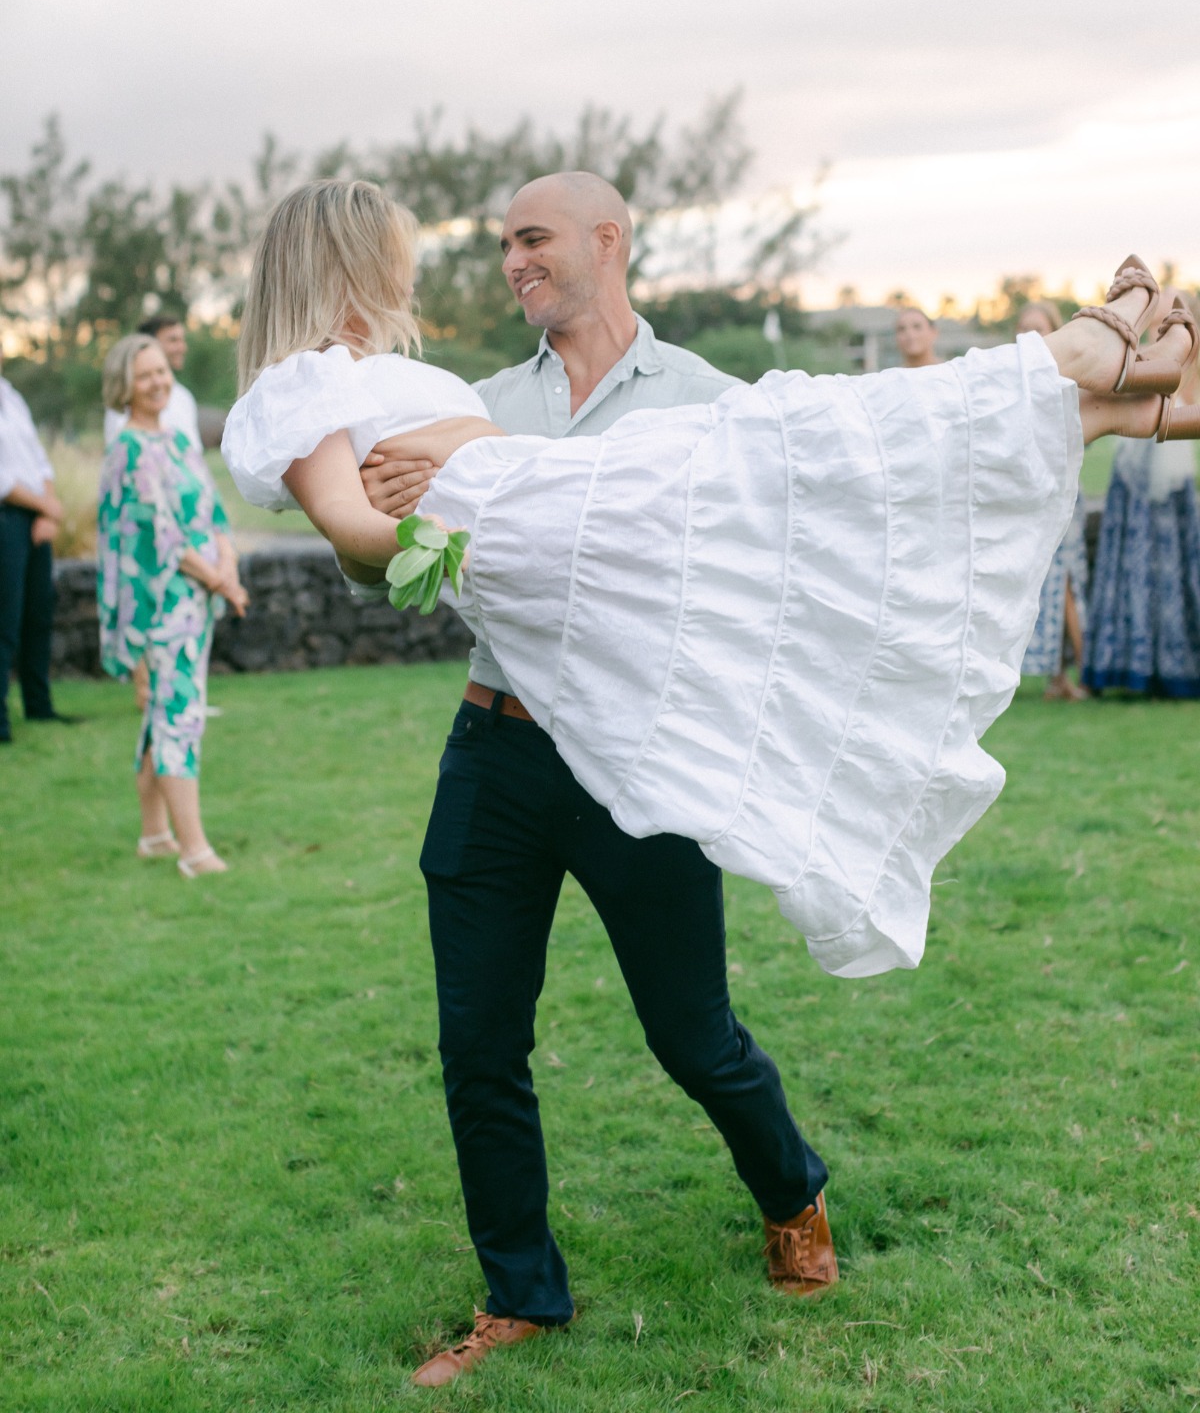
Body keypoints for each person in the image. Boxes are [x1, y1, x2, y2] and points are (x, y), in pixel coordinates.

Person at [222, 180, 1199, 1383]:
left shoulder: (710, 403)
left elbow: (818, 511)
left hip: (645, 752)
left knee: (692, 1034)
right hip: (502, 746)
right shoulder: (467, 399)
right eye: (507, 246)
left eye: (535, 240)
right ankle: (520, 1294)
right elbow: (383, 557)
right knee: (479, 1039)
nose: (515, 262)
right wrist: (429, 490)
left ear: (605, 244)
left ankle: (791, 1190)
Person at [98, 335, 248, 874]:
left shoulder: (180, 443)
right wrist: (222, 582)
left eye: (161, 371)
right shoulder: (129, 451)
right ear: (124, 387)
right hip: (163, 608)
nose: (158, 382)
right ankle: (194, 850)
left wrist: (226, 561)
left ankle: (155, 835)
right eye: (145, 376)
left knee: (163, 712)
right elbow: (162, 538)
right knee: (179, 716)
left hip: (198, 601)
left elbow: (212, 514)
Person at [1083, 291, 1200, 697]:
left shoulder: (1195, 368)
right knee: (1126, 570)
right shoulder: (1133, 356)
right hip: (1130, 485)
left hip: (1174, 491)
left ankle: (1175, 669)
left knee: (1173, 574)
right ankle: (1120, 666)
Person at [0, 357, 79, 742]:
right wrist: (44, 506)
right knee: (5, 621)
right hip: (6, 516)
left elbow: (37, 459)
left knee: (38, 613)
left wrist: (48, 511)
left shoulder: (10, 395)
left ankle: (39, 706)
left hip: (34, 517)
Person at [1015, 301, 1090, 700]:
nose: (1031, 337)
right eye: (1024, 329)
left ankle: (1084, 673)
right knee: (1048, 586)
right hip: (1032, 498)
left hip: (1064, 495)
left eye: (1039, 328)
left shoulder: (1069, 379)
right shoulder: (1013, 382)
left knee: (1065, 584)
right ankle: (1062, 677)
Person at [104, 313, 201, 451]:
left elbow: (194, 452)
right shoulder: (125, 407)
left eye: (161, 372)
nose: (182, 348)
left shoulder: (184, 397)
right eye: (173, 340)